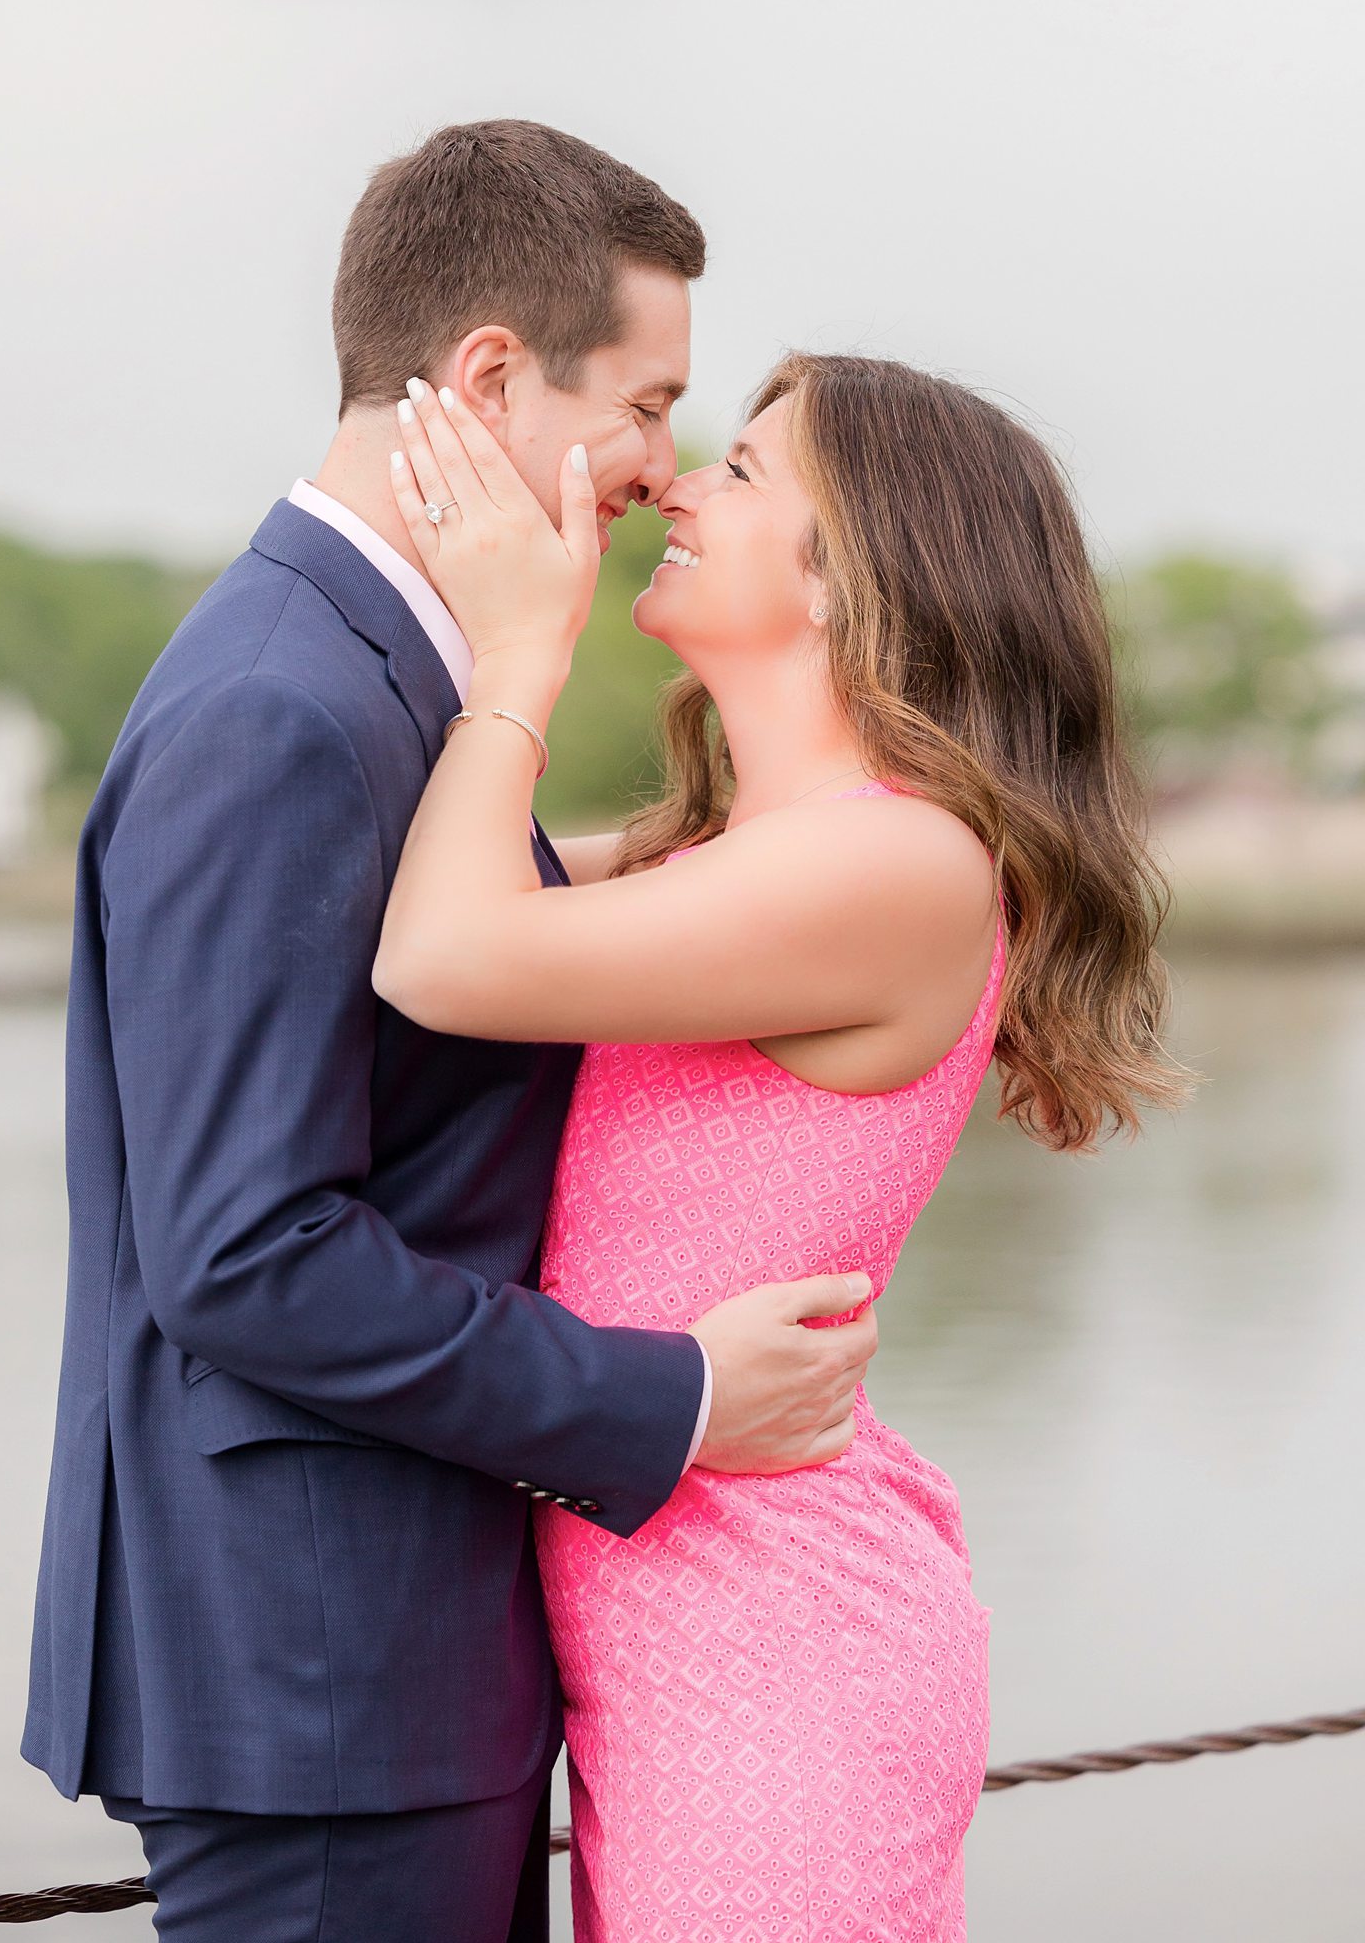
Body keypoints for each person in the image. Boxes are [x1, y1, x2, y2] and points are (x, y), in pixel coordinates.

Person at [20, 123, 879, 1943]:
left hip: (383, 1661)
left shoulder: (374, 669)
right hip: (325, 1676)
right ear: (492, 375)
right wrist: (679, 1397)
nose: (660, 466)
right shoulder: (287, 707)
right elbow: (247, 1257)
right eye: (648, 404)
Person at [375, 354, 1186, 1942]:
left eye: (739, 471)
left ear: (855, 575)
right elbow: (415, 893)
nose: (676, 483)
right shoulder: (740, 855)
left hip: (778, 1654)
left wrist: (518, 657)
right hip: (669, 1640)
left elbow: (443, 958)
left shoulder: (896, 863)